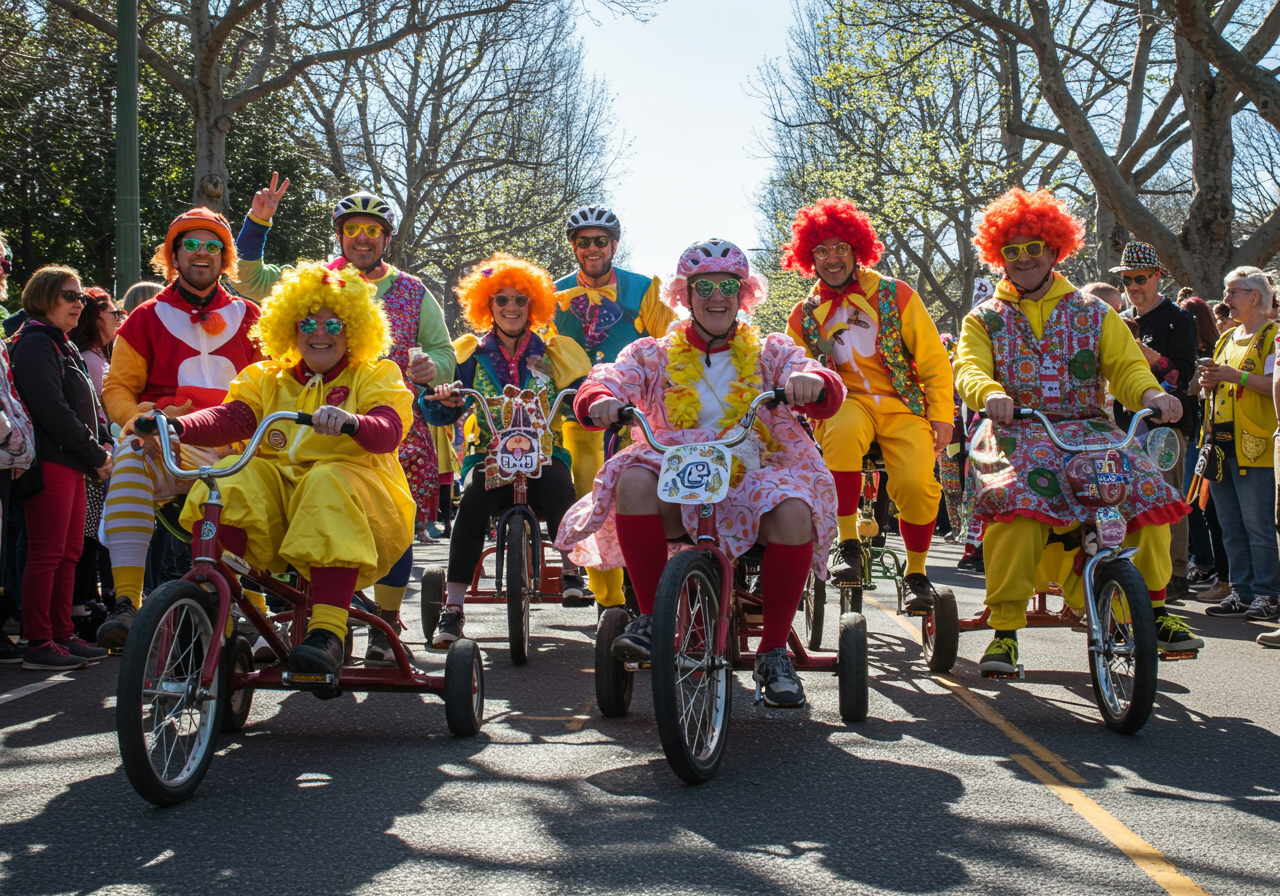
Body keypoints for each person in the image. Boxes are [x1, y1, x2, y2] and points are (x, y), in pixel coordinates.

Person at [559, 238, 845, 707]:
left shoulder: (770, 351)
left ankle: (774, 650)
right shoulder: (653, 353)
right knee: (631, 478)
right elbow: (605, 379)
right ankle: (651, 618)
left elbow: (818, 380)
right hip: (672, 469)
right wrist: (601, 399)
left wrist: (812, 382)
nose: (717, 296)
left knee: (795, 510)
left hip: (750, 474)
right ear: (685, 296)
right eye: (704, 286)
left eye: (727, 285)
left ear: (743, 293)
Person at [954, 189, 1200, 675]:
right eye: (1012, 250)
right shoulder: (983, 318)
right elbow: (969, 369)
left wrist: (1152, 397)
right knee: (1015, 508)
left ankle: (1156, 608)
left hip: (1090, 428)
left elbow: (1127, 369)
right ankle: (1006, 630)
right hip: (1017, 430)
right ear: (998, 255)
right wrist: (989, 395)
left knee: (1147, 496)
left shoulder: (1094, 311)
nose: (1023, 259)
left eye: (1033, 248)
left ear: (1054, 249)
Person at [137, 261, 416, 676]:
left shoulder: (375, 374)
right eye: (308, 322)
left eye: (334, 324)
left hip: (358, 501)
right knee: (230, 474)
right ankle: (212, 611)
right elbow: (231, 419)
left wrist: (354, 422)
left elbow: (388, 431)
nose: (319, 332)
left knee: (326, 481)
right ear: (291, 327)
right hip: (282, 502)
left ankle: (326, 634)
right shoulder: (266, 376)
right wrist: (176, 426)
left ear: (354, 330)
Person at [232, 176, 454, 643]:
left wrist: (428, 365)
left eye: (372, 230)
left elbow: (443, 352)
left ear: (386, 238)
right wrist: (258, 222)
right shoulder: (312, 280)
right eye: (353, 228)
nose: (363, 238)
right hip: (313, 414)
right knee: (308, 508)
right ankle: (313, 618)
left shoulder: (414, 291)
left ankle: (386, 623)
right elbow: (249, 278)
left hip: (387, 419)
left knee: (398, 519)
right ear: (340, 235)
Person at [96, 207, 263, 649]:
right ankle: (127, 602)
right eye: (190, 244)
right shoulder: (145, 317)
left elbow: (278, 382)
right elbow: (117, 388)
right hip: (172, 443)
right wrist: (140, 423)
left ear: (225, 257)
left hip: (241, 449)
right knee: (131, 454)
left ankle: (255, 609)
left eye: (212, 246)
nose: (201, 253)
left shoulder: (252, 317)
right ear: (174, 254)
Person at [782, 198, 953, 611]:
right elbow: (785, 365)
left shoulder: (896, 294)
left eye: (840, 247)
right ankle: (848, 546)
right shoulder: (804, 315)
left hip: (902, 405)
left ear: (858, 249)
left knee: (917, 483)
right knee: (839, 433)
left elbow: (933, 359)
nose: (832, 258)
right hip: (846, 402)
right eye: (821, 250)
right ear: (810, 257)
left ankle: (916, 573)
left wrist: (942, 416)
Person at [419, 253, 592, 646]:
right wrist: (443, 399)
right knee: (474, 499)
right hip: (487, 456)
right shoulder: (469, 354)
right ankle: (454, 607)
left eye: (520, 299)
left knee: (559, 485)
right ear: (487, 305)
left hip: (545, 453)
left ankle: (570, 571)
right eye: (501, 299)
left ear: (534, 304)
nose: (511, 307)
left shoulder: (554, 351)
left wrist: (591, 400)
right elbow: (438, 406)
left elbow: (583, 396)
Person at [550, 206, 676, 609]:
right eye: (583, 241)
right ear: (573, 246)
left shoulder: (644, 289)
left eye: (600, 241)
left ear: (614, 245)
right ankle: (611, 604)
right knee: (591, 486)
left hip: (637, 417)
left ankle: (653, 593)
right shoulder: (550, 296)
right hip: (577, 414)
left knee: (648, 495)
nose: (592, 248)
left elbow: (673, 345)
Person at [9, 267, 112, 669]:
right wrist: (96, 453)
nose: (78, 304)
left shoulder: (61, 344)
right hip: (52, 461)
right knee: (47, 553)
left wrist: (101, 442)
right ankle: (38, 640)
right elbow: (52, 409)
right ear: (44, 297)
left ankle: (61, 633)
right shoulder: (35, 343)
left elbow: (87, 408)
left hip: (73, 462)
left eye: (81, 298)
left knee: (69, 552)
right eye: (69, 296)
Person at [1112, 242, 1199, 603]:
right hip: (1125, 425)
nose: (1133, 285)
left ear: (1158, 277)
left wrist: (1150, 358)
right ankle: (1134, 570)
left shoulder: (1178, 318)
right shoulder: (1118, 320)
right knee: (1127, 496)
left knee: (1166, 494)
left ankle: (1176, 573)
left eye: (1141, 278)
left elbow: (1184, 373)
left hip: (1165, 425)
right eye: (1127, 279)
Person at [1198, 267, 1280, 628]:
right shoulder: (1227, 338)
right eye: (1226, 292)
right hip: (1220, 444)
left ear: (1255, 296)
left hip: (1256, 445)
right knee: (1230, 524)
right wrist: (1207, 382)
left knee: (1258, 524)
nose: (1225, 299)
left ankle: (1268, 594)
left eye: (1233, 292)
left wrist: (1235, 376)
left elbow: (1272, 384)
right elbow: (1213, 386)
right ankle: (1242, 590)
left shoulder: (1272, 335)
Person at [67, 287, 121, 623]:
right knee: (88, 537)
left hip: (99, 450)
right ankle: (81, 607)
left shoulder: (98, 356)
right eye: (114, 314)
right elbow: (99, 409)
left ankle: (86, 603)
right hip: (89, 456)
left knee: (89, 534)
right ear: (96, 318)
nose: (119, 319)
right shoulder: (88, 357)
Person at [1179, 295, 1231, 599]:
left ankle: (1209, 564)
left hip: (1205, 434)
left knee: (1199, 501)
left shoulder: (1212, 352)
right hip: (1198, 433)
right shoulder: (1194, 351)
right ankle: (1209, 565)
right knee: (1196, 502)